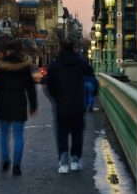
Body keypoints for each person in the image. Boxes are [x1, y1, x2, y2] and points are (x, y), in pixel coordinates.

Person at [46, 32, 95, 174]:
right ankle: (75, 159)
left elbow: (49, 85)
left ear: (61, 47)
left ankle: (63, 161)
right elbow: (91, 72)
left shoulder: (55, 64)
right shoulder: (80, 62)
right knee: (77, 132)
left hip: (61, 105)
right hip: (77, 104)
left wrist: (56, 97)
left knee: (62, 132)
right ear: (73, 46)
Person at [0, 38, 37, 176]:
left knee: (4, 135)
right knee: (18, 136)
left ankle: (5, 161)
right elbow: (30, 88)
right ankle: (17, 166)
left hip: (3, 105)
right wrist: (33, 105)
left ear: (8, 51)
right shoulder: (24, 67)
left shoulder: (1, 68)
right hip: (19, 104)